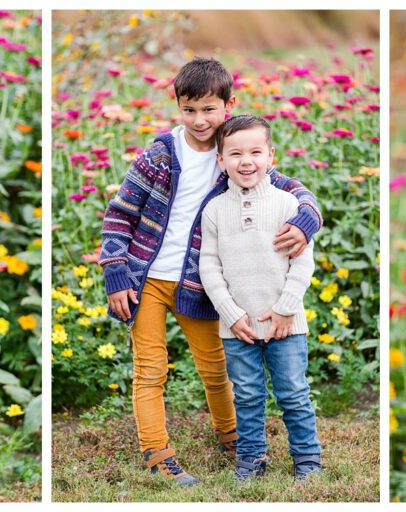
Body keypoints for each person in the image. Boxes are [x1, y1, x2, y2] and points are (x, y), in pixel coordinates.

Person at [100, 57, 323, 485]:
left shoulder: (234, 154)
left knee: (215, 367)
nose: (199, 120)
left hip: (198, 284)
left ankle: (232, 435)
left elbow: (290, 189)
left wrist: (306, 219)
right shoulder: (161, 155)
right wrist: (115, 271)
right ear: (177, 107)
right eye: (189, 109)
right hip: (145, 279)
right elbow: (119, 215)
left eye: (209, 109)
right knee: (150, 368)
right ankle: (157, 451)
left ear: (228, 105)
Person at [199, 115, 321, 481]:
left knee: (294, 395)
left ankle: (307, 461)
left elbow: (303, 263)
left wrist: (286, 309)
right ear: (221, 160)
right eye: (235, 154)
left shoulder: (288, 205)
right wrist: (231, 313)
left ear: (271, 156)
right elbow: (209, 267)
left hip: (286, 324)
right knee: (248, 397)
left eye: (255, 152)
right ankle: (251, 460)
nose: (246, 161)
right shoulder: (215, 210)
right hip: (238, 326)